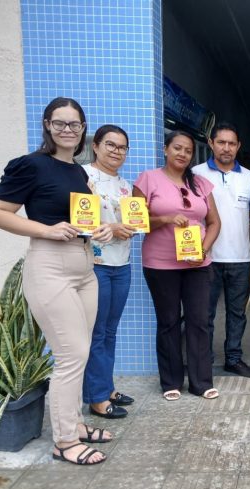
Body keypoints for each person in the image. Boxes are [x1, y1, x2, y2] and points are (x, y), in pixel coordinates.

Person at [0, 97, 114, 465]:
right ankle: (65, 441)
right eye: (60, 123)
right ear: (47, 125)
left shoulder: (78, 172)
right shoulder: (31, 165)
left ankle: (74, 424)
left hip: (84, 267)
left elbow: (84, 219)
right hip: (50, 266)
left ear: (83, 129)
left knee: (80, 352)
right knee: (71, 355)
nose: (68, 130)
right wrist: (46, 229)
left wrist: (101, 230)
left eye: (75, 124)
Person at [133, 130, 221, 401]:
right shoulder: (148, 179)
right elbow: (136, 222)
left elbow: (214, 223)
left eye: (188, 150)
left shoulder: (201, 184)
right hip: (160, 264)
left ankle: (201, 382)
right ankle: (171, 381)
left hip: (197, 263)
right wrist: (166, 219)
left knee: (199, 321)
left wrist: (203, 249)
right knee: (169, 321)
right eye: (177, 148)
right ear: (165, 149)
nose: (182, 154)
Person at [193, 122, 250, 378]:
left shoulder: (249, 177)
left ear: (238, 146)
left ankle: (233, 359)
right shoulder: (195, 174)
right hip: (206, 258)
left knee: (238, 313)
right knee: (205, 314)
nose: (226, 148)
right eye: (221, 142)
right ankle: (204, 360)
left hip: (240, 258)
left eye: (231, 143)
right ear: (211, 143)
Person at [82, 125, 137, 419]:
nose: (117, 151)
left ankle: (107, 387)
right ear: (96, 146)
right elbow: (79, 222)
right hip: (96, 265)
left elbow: (132, 222)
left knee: (110, 331)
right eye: (110, 145)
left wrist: (133, 226)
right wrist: (113, 228)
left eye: (122, 147)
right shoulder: (83, 177)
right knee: (97, 332)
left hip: (122, 264)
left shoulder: (126, 186)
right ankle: (96, 398)